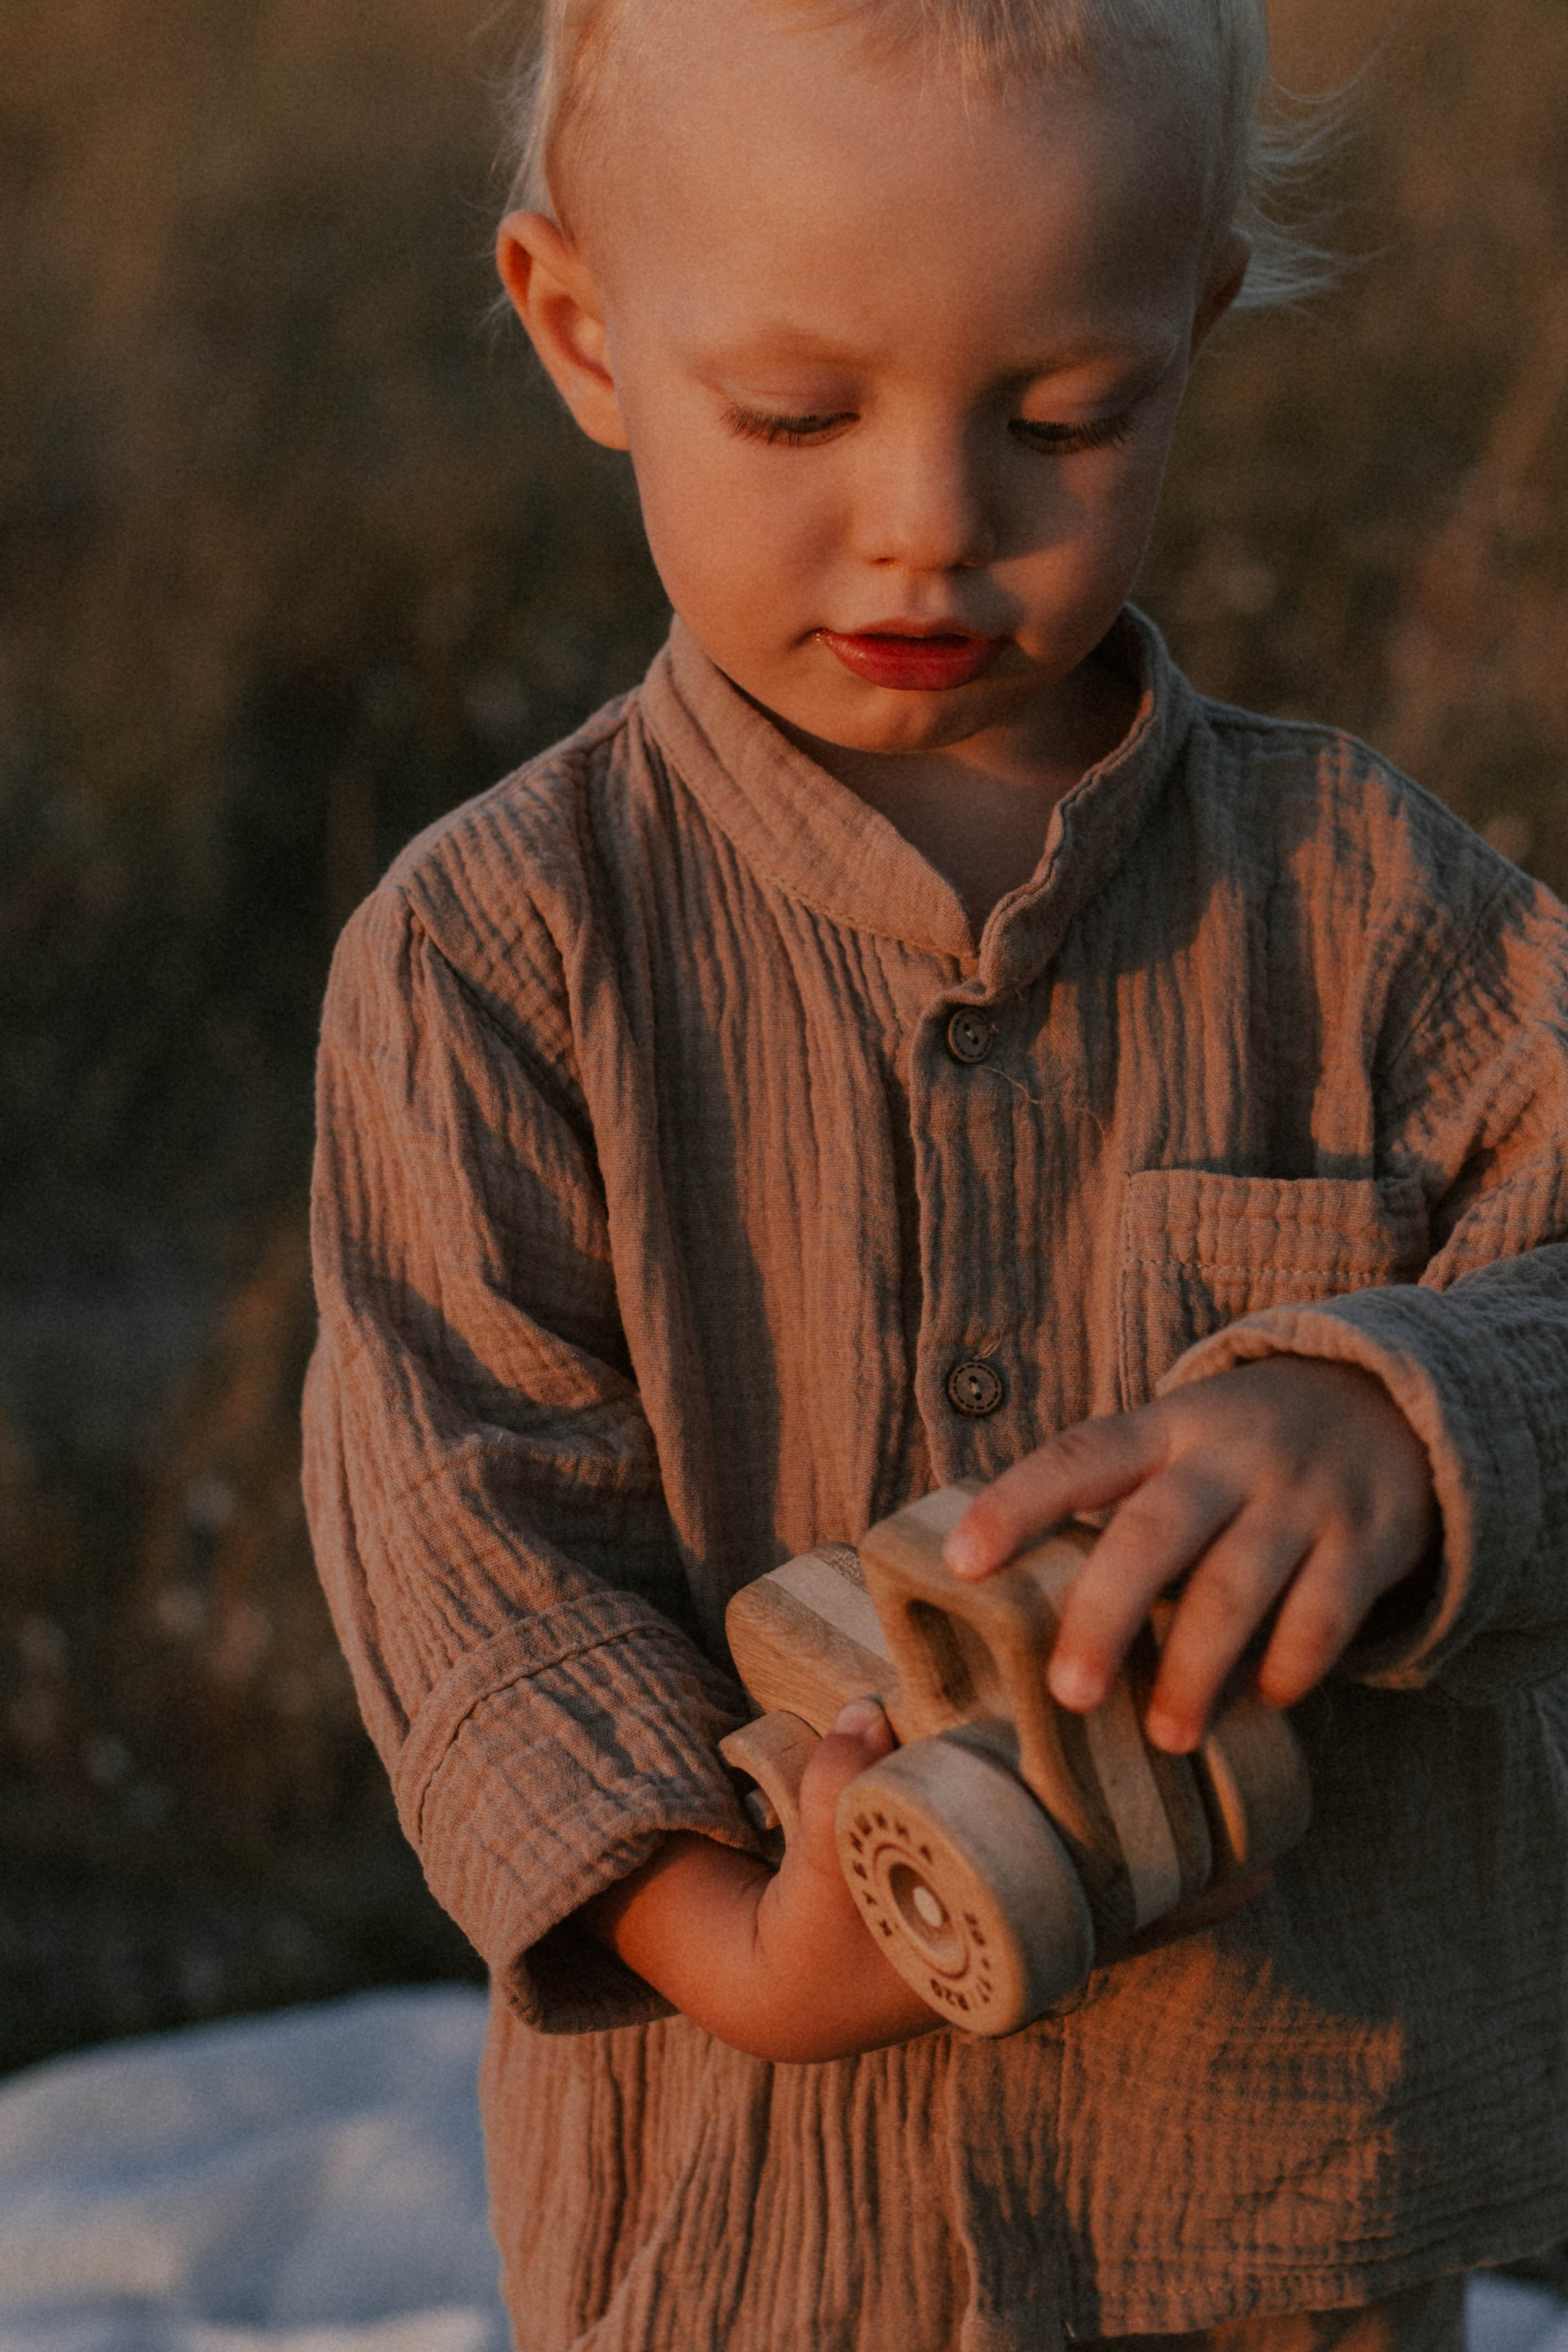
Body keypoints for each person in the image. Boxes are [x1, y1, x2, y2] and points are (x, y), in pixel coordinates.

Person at [301, 0, 1568, 2344]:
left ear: (1190, 323)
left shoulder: (1370, 907)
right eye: (794, 414)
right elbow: (467, 1549)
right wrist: (727, 1945)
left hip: (1282, 2218)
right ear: (583, 329)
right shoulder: (497, 956)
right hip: (751, 2229)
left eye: (1066, 419)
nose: (930, 521)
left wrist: (1406, 1408)